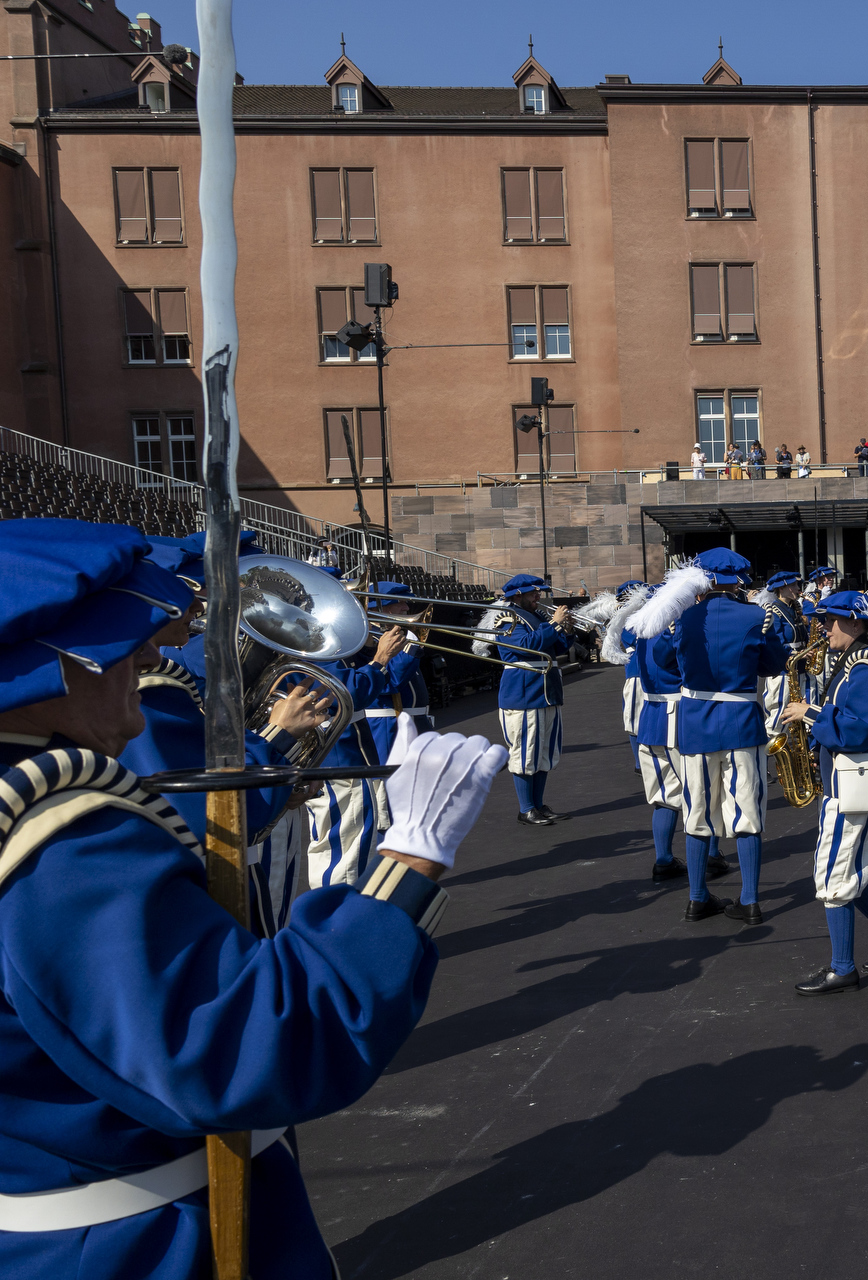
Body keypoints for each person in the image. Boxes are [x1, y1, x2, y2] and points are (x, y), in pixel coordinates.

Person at [0, 520, 506, 1280]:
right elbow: (237, 1049)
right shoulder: (59, 834)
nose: (146, 655)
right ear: (47, 664)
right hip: (134, 1242)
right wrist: (414, 855)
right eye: (117, 645)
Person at [119, 532, 324, 936]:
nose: (200, 607)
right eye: (194, 592)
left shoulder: (161, 674)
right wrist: (277, 736)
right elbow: (211, 810)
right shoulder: (154, 684)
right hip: (192, 879)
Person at [778, 590, 868, 994]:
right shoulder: (852, 662)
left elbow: (859, 729)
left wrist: (811, 713)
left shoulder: (865, 670)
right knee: (846, 869)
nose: (823, 626)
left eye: (831, 620)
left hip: (853, 781)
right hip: (843, 780)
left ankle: (842, 968)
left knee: (833, 875)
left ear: (856, 623)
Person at [666, 548, 790, 925]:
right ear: (737, 581)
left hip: (696, 724)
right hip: (740, 723)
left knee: (697, 812)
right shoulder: (756, 615)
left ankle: (697, 897)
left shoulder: (683, 617)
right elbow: (774, 664)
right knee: (747, 813)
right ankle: (750, 900)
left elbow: (666, 663)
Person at [305, 606, 409, 889]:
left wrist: (368, 645)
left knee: (352, 849)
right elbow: (347, 692)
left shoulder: (326, 644)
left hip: (348, 756)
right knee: (342, 854)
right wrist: (380, 658)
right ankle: (336, 924)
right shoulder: (312, 643)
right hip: (339, 758)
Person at [603, 582, 689, 881]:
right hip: (680, 716)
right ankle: (710, 857)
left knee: (664, 796)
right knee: (697, 792)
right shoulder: (670, 630)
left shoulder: (644, 629)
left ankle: (664, 858)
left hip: (651, 718)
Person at [483, 573, 574, 827]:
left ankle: (538, 804)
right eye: (534, 593)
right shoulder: (506, 617)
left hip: (546, 692)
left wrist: (566, 629)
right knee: (525, 753)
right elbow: (525, 645)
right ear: (518, 595)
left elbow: (555, 648)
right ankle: (526, 808)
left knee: (544, 752)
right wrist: (555, 626)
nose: (539, 596)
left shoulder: (538, 616)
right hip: (523, 693)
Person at [363, 582, 436, 763]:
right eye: (400, 603)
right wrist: (412, 647)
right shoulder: (368, 639)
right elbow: (389, 683)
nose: (407, 607)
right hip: (389, 728)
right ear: (382, 608)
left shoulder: (394, 636)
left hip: (414, 724)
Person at [757, 570, 806, 739]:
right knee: (778, 715)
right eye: (793, 585)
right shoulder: (774, 611)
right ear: (781, 588)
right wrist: (799, 653)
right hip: (783, 671)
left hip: (799, 669)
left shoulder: (794, 609)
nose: (798, 588)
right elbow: (776, 643)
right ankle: (773, 756)